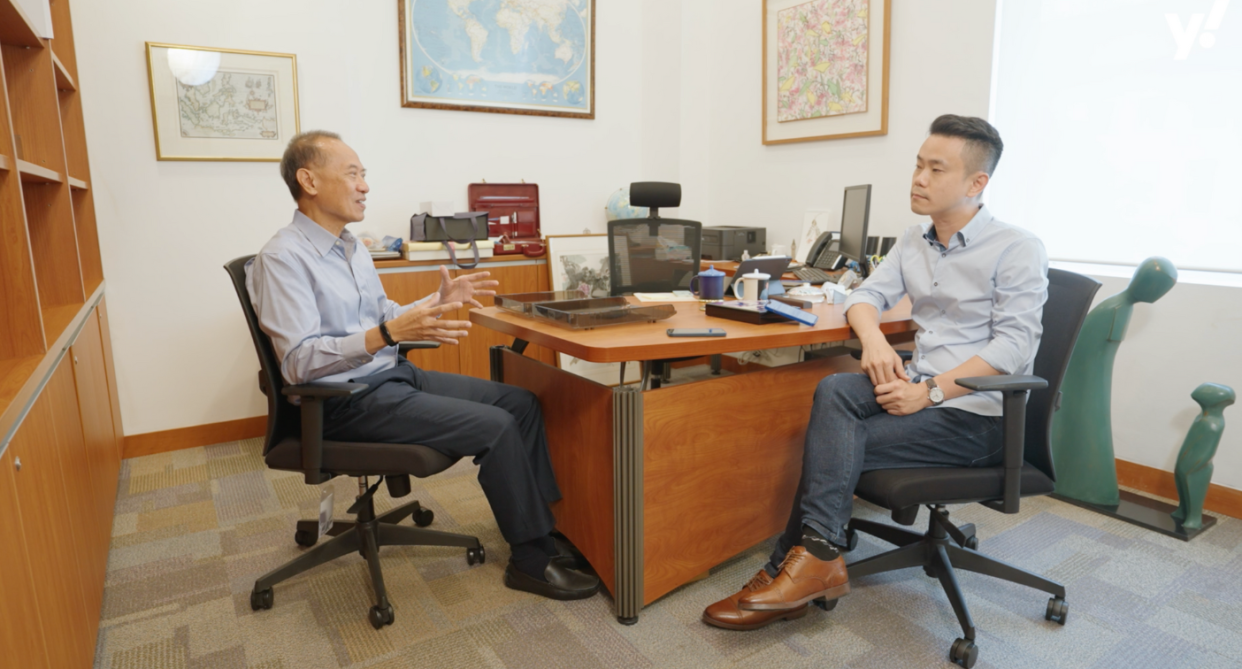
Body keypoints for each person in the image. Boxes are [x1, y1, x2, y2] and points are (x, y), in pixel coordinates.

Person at [702, 115, 1048, 630]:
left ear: (977, 183)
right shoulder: (915, 240)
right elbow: (863, 296)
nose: (919, 179)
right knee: (837, 388)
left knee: (835, 441)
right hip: (917, 387)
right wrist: (875, 340)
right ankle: (817, 555)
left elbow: (1014, 346)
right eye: (918, 165)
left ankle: (792, 565)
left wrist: (929, 392)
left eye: (936, 169)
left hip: (979, 418)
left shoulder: (1017, 248)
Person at [246, 130, 599, 600]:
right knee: (496, 427)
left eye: (363, 175)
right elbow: (297, 363)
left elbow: (382, 314)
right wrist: (389, 335)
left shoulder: (351, 247)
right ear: (308, 180)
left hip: (390, 378)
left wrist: (437, 300)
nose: (364, 186)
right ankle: (531, 562)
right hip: (344, 401)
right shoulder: (283, 258)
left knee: (522, 403)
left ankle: (544, 529)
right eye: (353, 174)